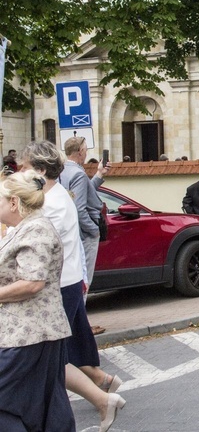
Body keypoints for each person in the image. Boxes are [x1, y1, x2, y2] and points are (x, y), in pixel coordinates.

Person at [19, 141, 126, 431]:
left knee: (50, 356)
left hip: (57, 285)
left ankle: (102, 398)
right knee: (60, 352)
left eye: (25, 168)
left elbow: (33, 245)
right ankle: (103, 387)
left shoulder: (51, 203)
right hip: (67, 282)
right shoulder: (55, 196)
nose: (21, 172)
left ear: (40, 170)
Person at [0, 171, 76, 432]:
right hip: (30, 332)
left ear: (13, 202)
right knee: (45, 403)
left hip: (28, 333)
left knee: (28, 402)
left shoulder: (36, 229)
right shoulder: (22, 228)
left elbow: (33, 282)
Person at [59, 137, 109, 296]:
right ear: (80, 152)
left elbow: (82, 194)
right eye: (86, 149)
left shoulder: (63, 171)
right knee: (84, 279)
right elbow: (79, 208)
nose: (87, 152)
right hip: (84, 234)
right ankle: (79, 318)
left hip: (69, 231)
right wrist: (93, 230)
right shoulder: (78, 174)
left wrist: (99, 174)